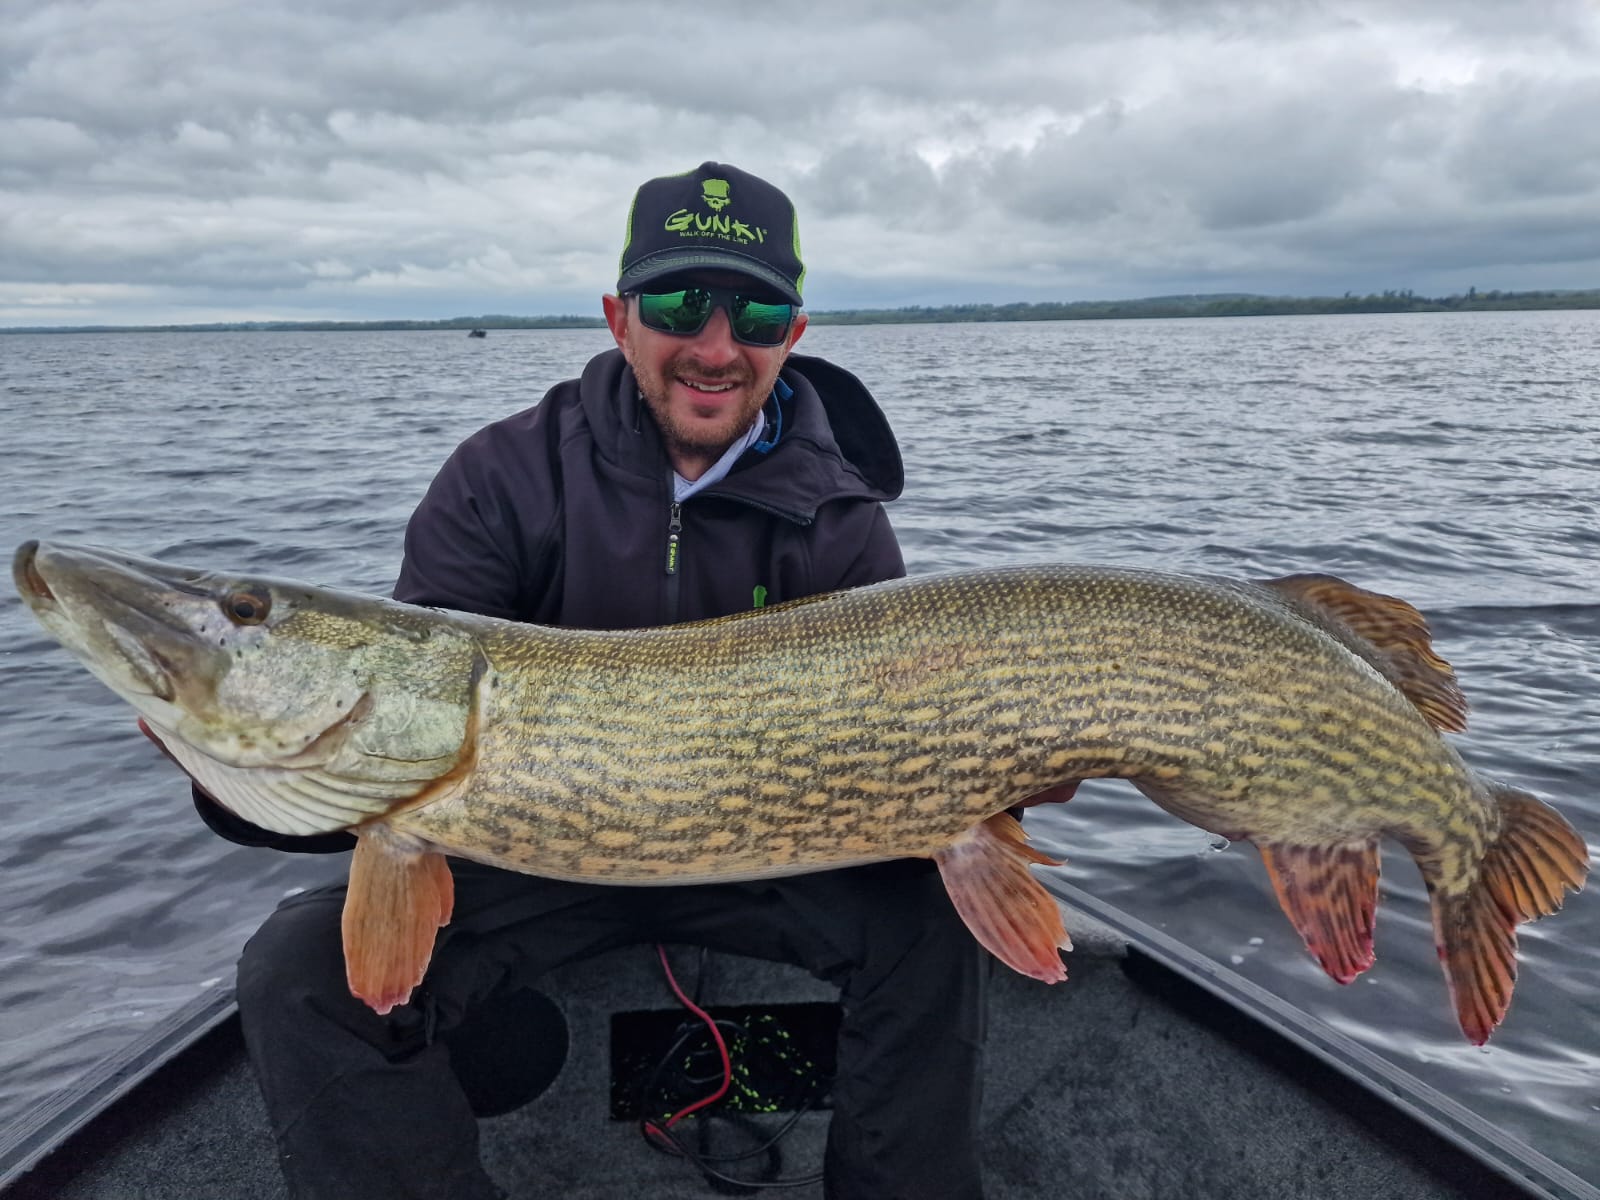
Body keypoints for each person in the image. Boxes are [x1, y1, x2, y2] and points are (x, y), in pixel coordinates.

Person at [171, 162, 988, 1200]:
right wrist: (227, 767)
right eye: (680, 303)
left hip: (765, 847)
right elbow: (398, 756)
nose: (715, 345)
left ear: (796, 330)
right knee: (302, 974)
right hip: (530, 851)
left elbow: (893, 757)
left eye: (758, 313)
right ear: (618, 317)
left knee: (928, 931)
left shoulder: (842, 516)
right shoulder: (502, 477)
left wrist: (1002, 776)